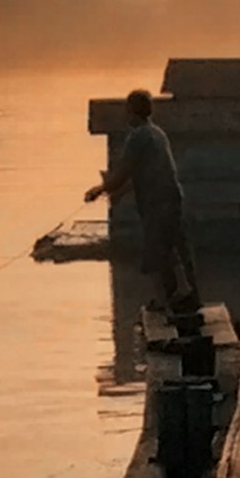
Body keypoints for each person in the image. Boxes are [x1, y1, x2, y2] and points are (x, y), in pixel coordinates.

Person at [86, 87, 201, 314]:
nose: (125, 116)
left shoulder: (137, 137)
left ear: (132, 112)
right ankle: (184, 296)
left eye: (127, 111)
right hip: (172, 197)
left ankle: (164, 302)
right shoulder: (157, 133)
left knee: (155, 254)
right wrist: (118, 193)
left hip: (157, 203)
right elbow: (140, 173)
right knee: (175, 249)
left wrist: (98, 190)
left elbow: (122, 173)